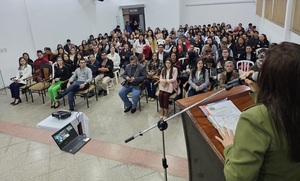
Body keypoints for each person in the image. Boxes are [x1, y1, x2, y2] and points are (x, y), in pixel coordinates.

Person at [215, 42, 300, 180]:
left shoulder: (253, 119)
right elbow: (280, 105)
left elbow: (237, 177)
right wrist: (261, 92)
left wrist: (230, 147)